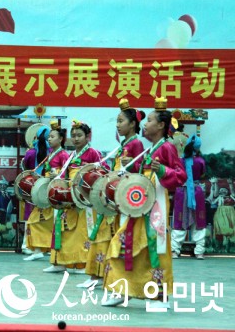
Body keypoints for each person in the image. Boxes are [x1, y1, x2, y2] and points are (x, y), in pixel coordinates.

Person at [102, 97, 187, 308]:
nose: (145, 124)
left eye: (149, 120)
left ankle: (159, 296)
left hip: (155, 205)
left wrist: (162, 170)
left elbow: (180, 176)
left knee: (154, 247)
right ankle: (124, 289)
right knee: (126, 243)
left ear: (161, 125)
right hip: (141, 204)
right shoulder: (150, 149)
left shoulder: (166, 147)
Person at [78, 99, 145, 288]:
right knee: (102, 233)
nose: (117, 125)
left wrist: (131, 165)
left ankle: (103, 276)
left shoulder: (136, 144)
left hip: (122, 195)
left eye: (121, 121)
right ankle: (98, 275)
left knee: (108, 235)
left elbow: (140, 172)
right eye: (117, 121)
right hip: (113, 193)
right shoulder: (124, 144)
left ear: (132, 124)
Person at [44, 119, 103, 274]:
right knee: (63, 227)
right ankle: (60, 261)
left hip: (85, 196)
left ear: (87, 137)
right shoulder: (71, 155)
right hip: (70, 195)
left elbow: (103, 172)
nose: (76, 138)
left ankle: (83, 263)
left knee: (83, 230)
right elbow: (64, 175)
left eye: (79, 135)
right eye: (73, 135)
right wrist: (57, 178)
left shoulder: (93, 153)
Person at [25, 121, 70, 261]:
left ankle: (53, 254)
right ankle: (38, 250)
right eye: (49, 137)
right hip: (47, 191)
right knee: (34, 221)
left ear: (60, 139)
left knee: (55, 224)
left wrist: (57, 175)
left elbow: (67, 174)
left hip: (56, 193)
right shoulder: (50, 154)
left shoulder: (63, 154)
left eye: (52, 137)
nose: (49, 139)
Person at [172, 135, 206, 259]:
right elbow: (202, 174)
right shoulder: (201, 161)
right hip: (197, 192)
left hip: (182, 191)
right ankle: (199, 251)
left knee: (179, 220)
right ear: (198, 147)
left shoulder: (179, 160)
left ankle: (175, 251)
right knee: (199, 221)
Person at [20, 128, 48, 254]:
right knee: (45, 217)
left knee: (30, 216)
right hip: (45, 187)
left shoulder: (30, 152)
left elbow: (25, 167)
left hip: (31, 186)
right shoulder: (51, 152)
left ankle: (26, 245)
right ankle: (44, 246)